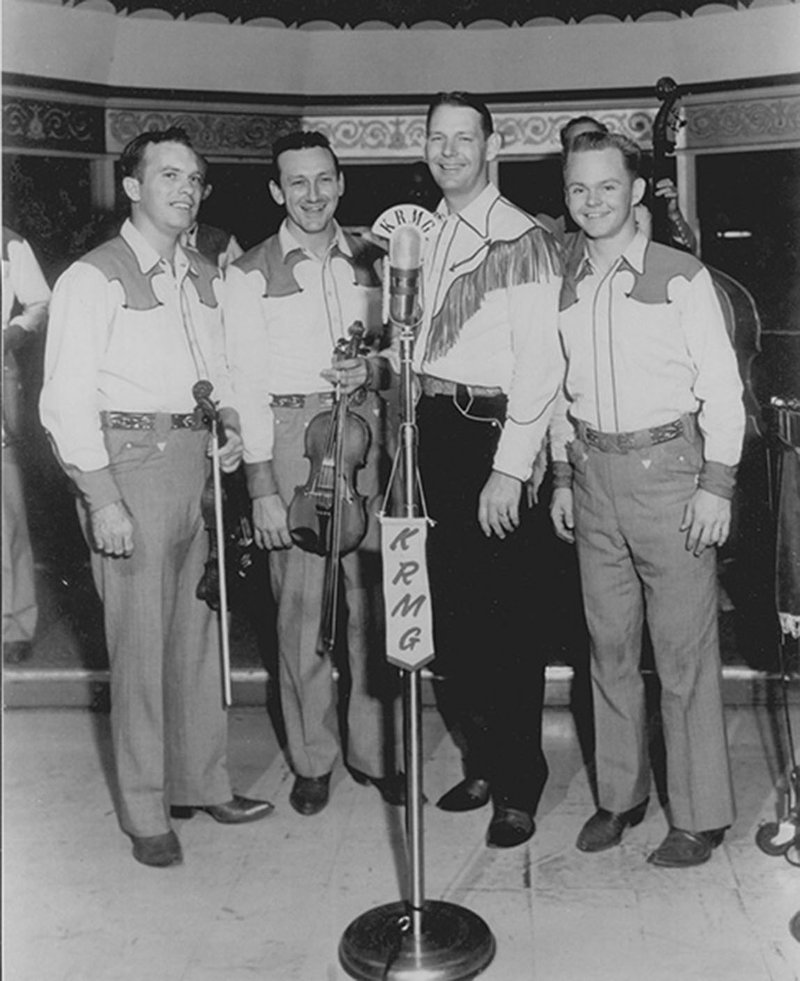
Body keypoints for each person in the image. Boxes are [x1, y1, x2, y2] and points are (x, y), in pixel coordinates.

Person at [39, 127, 273, 869]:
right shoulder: (93, 277)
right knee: (139, 649)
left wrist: (230, 429)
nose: (184, 188)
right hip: (129, 469)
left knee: (198, 638)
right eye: (167, 175)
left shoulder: (206, 276)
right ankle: (145, 808)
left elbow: (224, 375)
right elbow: (63, 401)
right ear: (132, 187)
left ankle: (201, 780)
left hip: (196, 470)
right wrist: (101, 496)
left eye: (195, 178)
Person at [549, 130, 744, 867]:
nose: (592, 201)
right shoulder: (567, 283)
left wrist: (717, 484)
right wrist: (565, 478)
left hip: (672, 478)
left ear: (635, 192)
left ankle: (699, 815)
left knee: (685, 653)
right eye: (577, 189)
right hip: (594, 476)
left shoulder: (682, 275)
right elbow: (566, 395)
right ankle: (620, 797)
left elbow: (724, 391)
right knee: (608, 647)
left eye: (606, 187)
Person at [224, 131, 403, 817]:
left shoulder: (374, 260)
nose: (312, 194)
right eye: (296, 182)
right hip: (297, 439)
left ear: (341, 182)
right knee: (301, 612)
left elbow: (398, 351)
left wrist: (376, 370)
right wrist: (264, 488)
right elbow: (244, 382)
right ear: (276, 191)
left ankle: (372, 752)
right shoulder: (248, 271)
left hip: (368, 438)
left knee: (370, 607)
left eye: (324, 179)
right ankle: (311, 757)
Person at [414, 92, 564, 848]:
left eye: (462, 138)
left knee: (508, 623)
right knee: (457, 618)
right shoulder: (428, 232)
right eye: (437, 138)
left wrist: (510, 469)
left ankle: (517, 784)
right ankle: (482, 758)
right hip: (434, 429)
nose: (449, 151)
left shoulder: (520, 237)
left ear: (491, 145)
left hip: (491, 433)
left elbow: (541, 364)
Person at [2, 227, 51, 664]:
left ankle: (15, 622)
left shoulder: (10, 242)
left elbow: (39, 301)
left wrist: (12, 333)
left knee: (6, 509)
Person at [181, 179, 244, 270]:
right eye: (170, 176)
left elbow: (245, 278)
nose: (184, 190)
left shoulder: (222, 243)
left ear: (206, 191)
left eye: (194, 180)